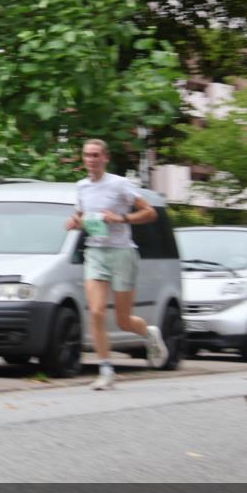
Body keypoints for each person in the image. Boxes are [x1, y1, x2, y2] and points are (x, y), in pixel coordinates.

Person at [64, 138, 168, 390]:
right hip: (96, 252)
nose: (91, 160)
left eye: (96, 155)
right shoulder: (82, 187)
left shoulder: (120, 184)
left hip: (122, 252)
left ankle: (149, 334)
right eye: (87, 155)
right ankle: (106, 369)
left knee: (122, 320)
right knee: (97, 311)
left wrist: (121, 217)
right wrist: (75, 222)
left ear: (105, 158)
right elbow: (81, 215)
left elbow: (150, 213)